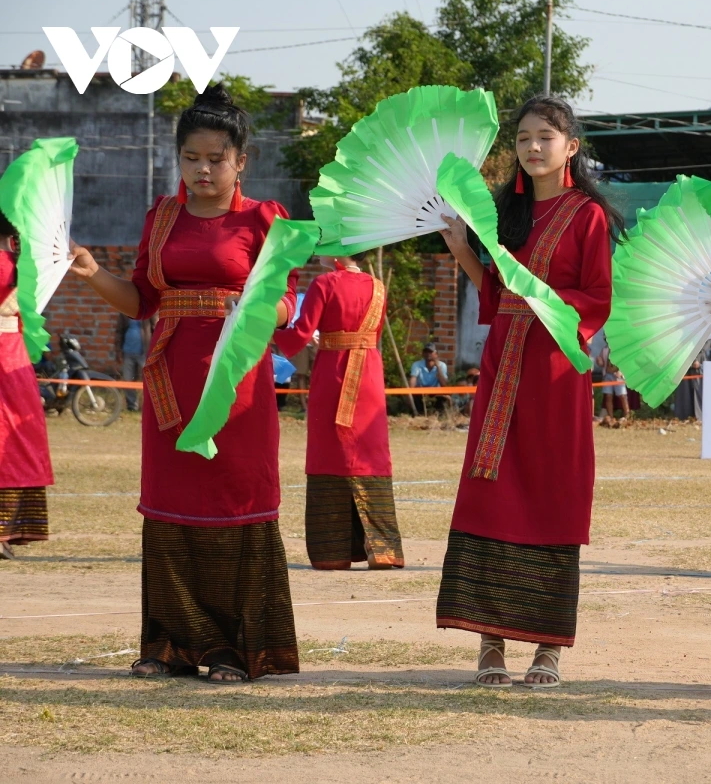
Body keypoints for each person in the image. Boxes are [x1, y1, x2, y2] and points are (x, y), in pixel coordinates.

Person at [67, 84, 299, 683]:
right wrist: (93, 273)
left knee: (234, 502)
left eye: (216, 159)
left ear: (240, 161)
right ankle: (168, 643)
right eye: (191, 158)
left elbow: (285, 309)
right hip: (169, 382)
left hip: (236, 385)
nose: (203, 169)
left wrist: (253, 303)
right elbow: (141, 302)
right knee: (173, 507)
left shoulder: (265, 218)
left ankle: (232, 649)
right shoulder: (161, 216)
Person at [434, 95, 621, 688]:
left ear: (572, 146)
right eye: (522, 139)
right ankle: (490, 642)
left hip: (555, 370)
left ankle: (547, 648)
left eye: (546, 136)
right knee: (494, 490)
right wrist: (465, 248)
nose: (533, 147)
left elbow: (598, 298)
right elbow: (493, 294)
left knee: (550, 491)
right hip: (502, 369)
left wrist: (550, 303)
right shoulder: (500, 214)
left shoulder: (588, 215)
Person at [276, 252, 404, 571]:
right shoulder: (378, 287)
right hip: (370, 376)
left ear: (338, 251)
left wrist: (266, 330)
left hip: (333, 373)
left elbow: (302, 333)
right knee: (371, 453)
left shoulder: (324, 283)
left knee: (328, 453)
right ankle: (383, 547)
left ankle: (331, 550)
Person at [0, 206, 53, 560]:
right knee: (13, 437)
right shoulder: (14, 262)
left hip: (11, 353)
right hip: (10, 356)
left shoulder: (15, 262)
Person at [115, 313, 152, 411]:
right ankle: (132, 406)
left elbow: (155, 328)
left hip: (144, 353)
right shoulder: (124, 312)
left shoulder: (148, 311)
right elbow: (119, 332)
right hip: (128, 352)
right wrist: (118, 351)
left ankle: (148, 406)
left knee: (149, 381)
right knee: (127, 380)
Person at [407, 343, 449, 416]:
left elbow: (444, 385)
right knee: (413, 397)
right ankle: (417, 415)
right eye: (426, 352)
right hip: (421, 391)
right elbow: (413, 380)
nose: (428, 354)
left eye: (430, 352)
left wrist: (438, 367)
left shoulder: (442, 365)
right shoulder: (417, 365)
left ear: (436, 354)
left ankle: (439, 417)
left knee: (443, 398)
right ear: (423, 353)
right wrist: (410, 392)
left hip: (435, 392)